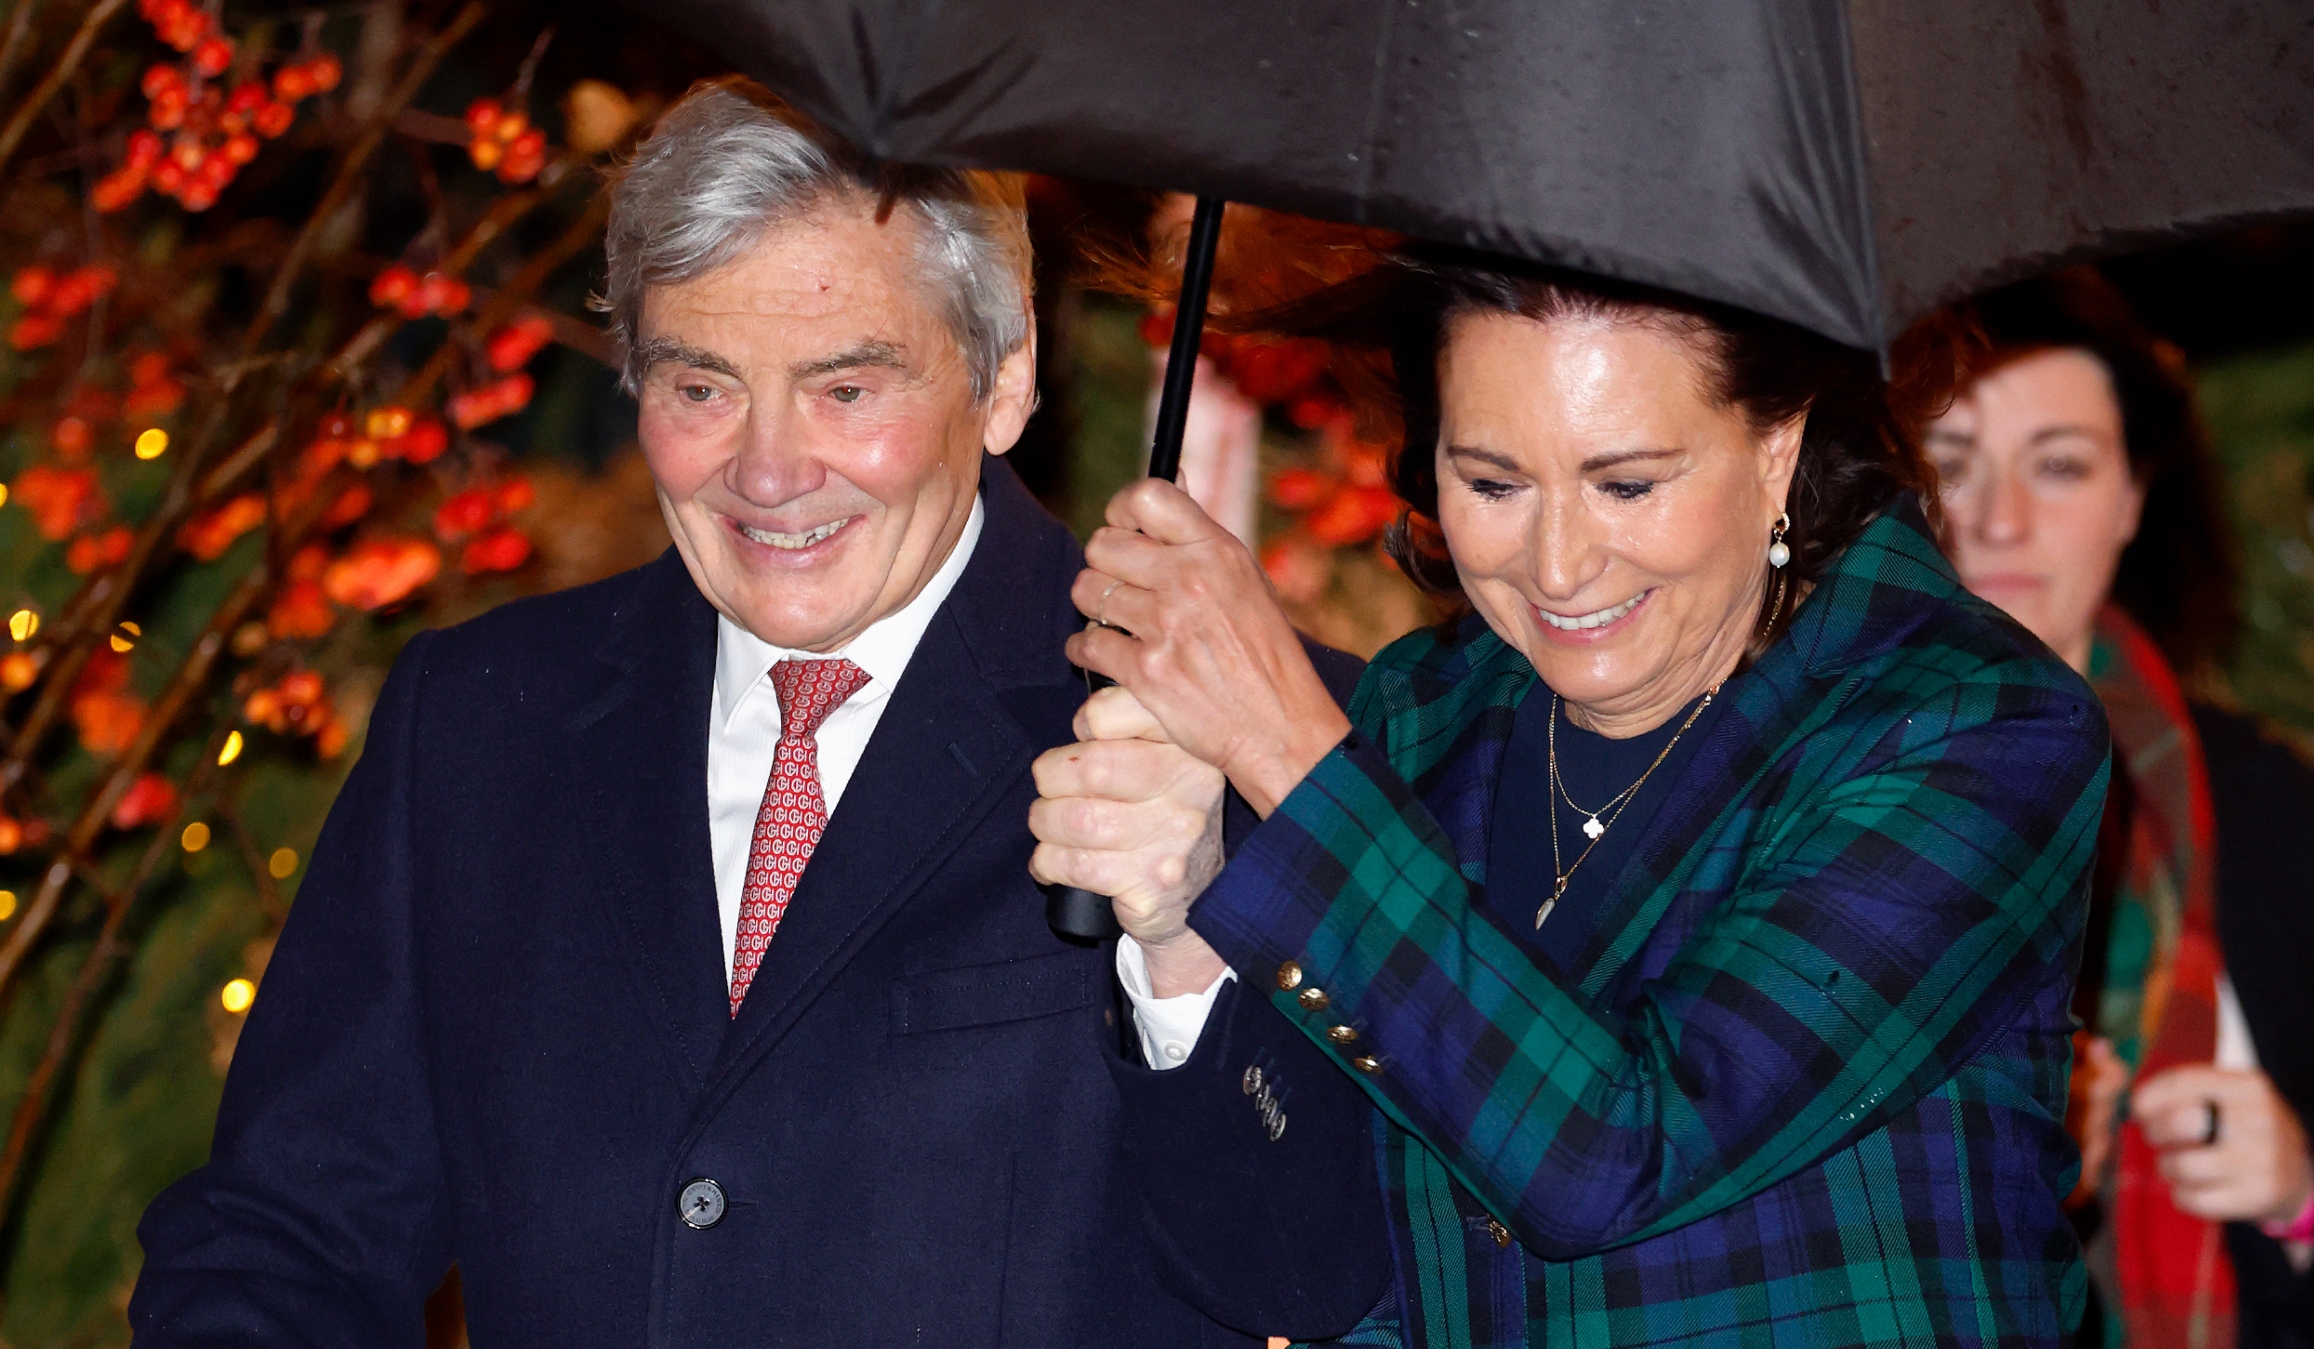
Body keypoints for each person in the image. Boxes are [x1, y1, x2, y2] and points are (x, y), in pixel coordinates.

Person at [127, 79, 1377, 1347]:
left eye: (845, 390)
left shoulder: (1256, 738)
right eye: (701, 388)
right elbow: (286, 1236)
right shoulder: (481, 720)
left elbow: (1318, 1272)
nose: (767, 473)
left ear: (1003, 380)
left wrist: (1189, 951)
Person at [1032, 251, 2114, 1345]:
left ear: (1776, 445)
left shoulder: (1968, 721)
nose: (1557, 564)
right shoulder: (1421, 718)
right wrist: (1183, 930)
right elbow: (1290, 1278)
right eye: (1494, 484)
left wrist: (1290, 753)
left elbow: (1612, 1155)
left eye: (1626, 484)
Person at [1928, 270, 2314, 1349]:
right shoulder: (1801, 796)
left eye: (2060, 464)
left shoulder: (2267, 802)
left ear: (2134, 494)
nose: (2000, 517)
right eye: (1950, 464)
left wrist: (2300, 1184)